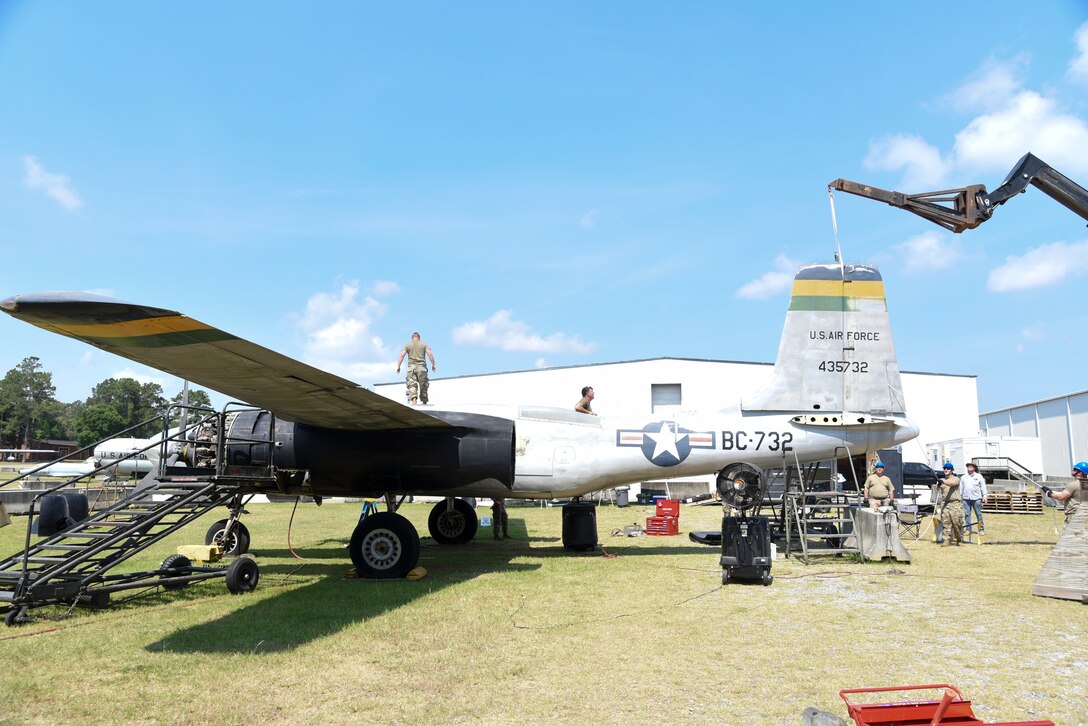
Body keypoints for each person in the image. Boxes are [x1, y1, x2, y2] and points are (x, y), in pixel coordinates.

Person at [1041, 461, 1087, 527]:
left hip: (1075, 517)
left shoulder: (1073, 484)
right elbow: (1066, 494)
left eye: (1074, 469)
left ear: (1079, 473)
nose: (1072, 470)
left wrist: (1049, 494)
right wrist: (1050, 491)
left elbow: (1061, 497)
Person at [395, 332, 436, 405]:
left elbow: (402, 355)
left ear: (412, 338)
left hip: (411, 367)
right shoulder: (424, 344)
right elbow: (430, 354)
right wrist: (433, 364)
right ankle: (424, 400)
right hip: (422, 367)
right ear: (419, 338)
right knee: (423, 384)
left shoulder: (407, 345)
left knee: (411, 384)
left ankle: (414, 398)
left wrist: (398, 366)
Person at [937, 462, 965, 546]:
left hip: (955, 504)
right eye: (944, 468)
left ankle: (959, 540)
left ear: (952, 470)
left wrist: (943, 481)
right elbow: (940, 492)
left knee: (957, 523)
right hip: (945, 504)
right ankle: (946, 540)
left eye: (948, 468)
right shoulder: (943, 480)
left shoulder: (955, 478)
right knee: (946, 523)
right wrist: (938, 485)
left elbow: (952, 484)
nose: (946, 469)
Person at [960, 461, 988, 540]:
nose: (969, 467)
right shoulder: (963, 477)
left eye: (971, 466)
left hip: (976, 498)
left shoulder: (979, 476)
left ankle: (981, 529)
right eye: (968, 466)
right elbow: (961, 488)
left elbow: (983, 487)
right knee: (967, 514)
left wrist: (985, 496)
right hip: (966, 498)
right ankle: (968, 529)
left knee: (978, 514)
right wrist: (960, 497)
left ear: (974, 468)